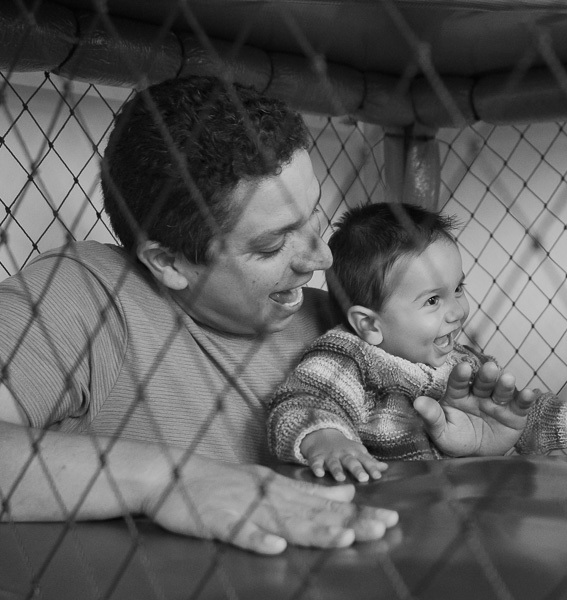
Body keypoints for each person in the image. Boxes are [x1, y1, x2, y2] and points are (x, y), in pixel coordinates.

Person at [0, 75, 536, 554]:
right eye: (273, 244)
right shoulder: (87, 294)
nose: (320, 258)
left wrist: (479, 454)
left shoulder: (352, 319)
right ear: (168, 263)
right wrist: (169, 480)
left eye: (314, 218)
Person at [267, 202, 567, 482]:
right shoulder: (351, 358)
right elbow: (302, 402)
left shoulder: (464, 364)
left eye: (458, 289)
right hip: (382, 508)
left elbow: (516, 417)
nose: (457, 310)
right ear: (370, 324)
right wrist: (328, 439)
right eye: (432, 300)